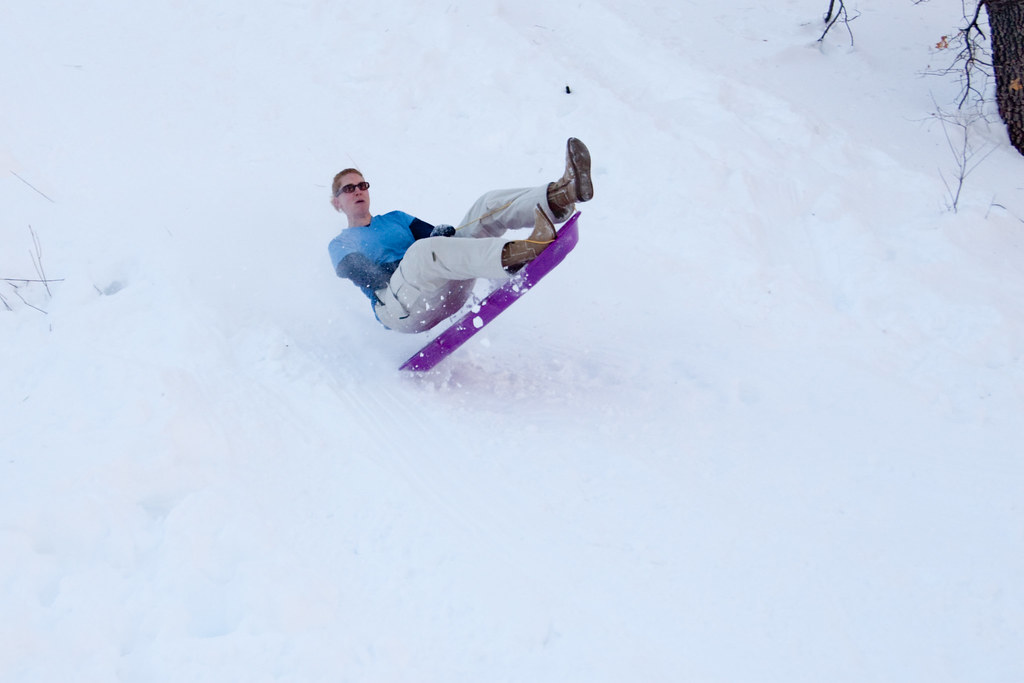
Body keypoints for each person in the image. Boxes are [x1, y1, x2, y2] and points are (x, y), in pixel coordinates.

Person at [328, 138, 593, 333]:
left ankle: (561, 195)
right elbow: (364, 273)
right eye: (348, 189)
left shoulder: (396, 218)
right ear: (337, 202)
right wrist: (419, 254)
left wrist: (440, 235)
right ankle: (520, 252)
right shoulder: (340, 243)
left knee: (485, 205)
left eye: (362, 185)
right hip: (401, 309)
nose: (358, 191)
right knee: (422, 254)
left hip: (445, 289)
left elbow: (438, 240)